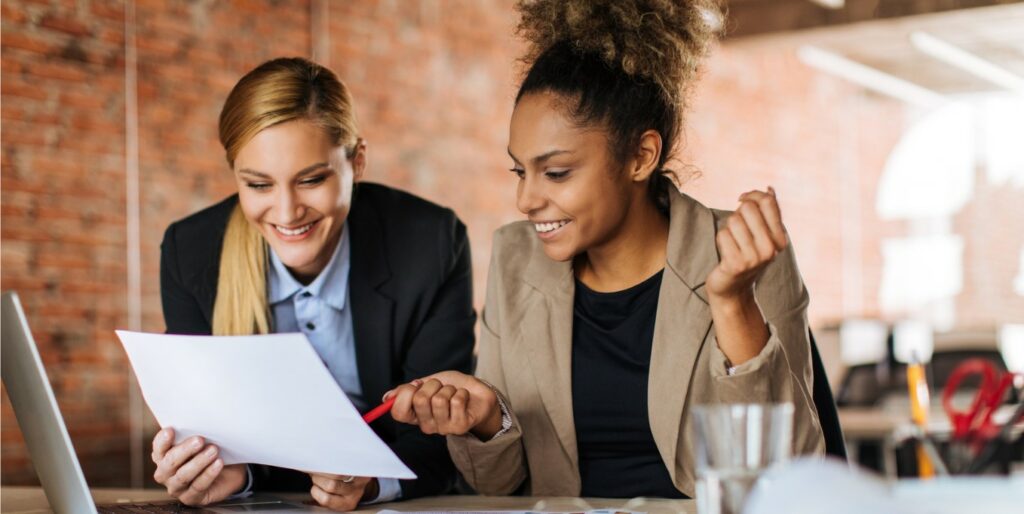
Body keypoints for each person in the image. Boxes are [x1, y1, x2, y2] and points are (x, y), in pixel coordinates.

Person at [386, 0, 825, 498]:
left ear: (641, 156)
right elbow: (495, 487)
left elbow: (788, 474)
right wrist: (488, 421)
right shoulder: (515, 257)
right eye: (520, 171)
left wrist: (733, 303)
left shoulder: (743, 256)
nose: (526, 200)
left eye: (556, 172)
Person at [152, 57, 475, 510]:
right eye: (259, 185)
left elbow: (441, 439)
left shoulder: (430, 244)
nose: (286, 213)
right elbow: (211, 432)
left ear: (357, 162)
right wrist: (219, 472)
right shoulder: (191, 252)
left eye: (311, 179)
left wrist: (371, 484)